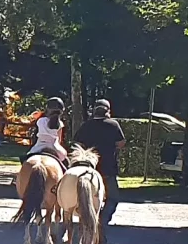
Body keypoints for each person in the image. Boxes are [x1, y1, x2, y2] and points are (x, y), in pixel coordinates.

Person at [75, 98, 127, 226]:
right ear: (108, 111)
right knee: (113, 198)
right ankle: (102, 221)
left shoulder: (86, 125)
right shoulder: (113, 125)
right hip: (108, 168)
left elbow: (78, 143)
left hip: (88, 167)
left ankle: (86, 220)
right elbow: (121, 143)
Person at [28, 96, 69, 165]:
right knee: (66, 161)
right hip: (54, 147)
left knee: (27, 159)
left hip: (39, 146)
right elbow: (59, 140)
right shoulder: (60, 124)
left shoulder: (41, 120)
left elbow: (37, 134)